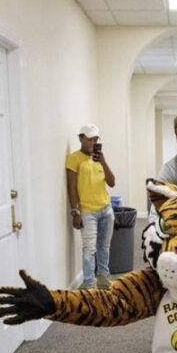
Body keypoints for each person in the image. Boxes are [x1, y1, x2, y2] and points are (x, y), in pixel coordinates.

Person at [65, 124, 116, 289]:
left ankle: (103, 277)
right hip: (88, 212)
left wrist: (104, 162)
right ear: (81, 138)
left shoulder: (99, 158)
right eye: (90, 139)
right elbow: (71, 187)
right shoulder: (74, 159)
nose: (93, 142)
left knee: (104, 247)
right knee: (89, 249)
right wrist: (75, 212)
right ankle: (89, 283)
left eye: (96, 139)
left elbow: (112, 182)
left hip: (106, 209)